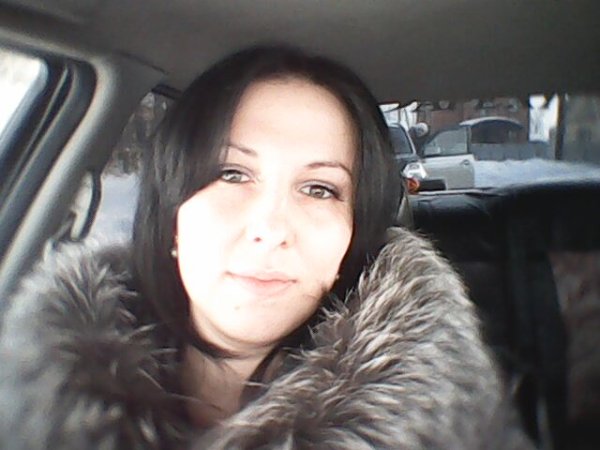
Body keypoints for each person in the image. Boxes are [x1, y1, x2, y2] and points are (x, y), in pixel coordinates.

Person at [0, 45, 532, 449]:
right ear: (172, 218)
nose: (271, 227)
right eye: (231, 173)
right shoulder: (29, 402)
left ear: (352, 238)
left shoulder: (458, 429)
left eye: (319, 188)